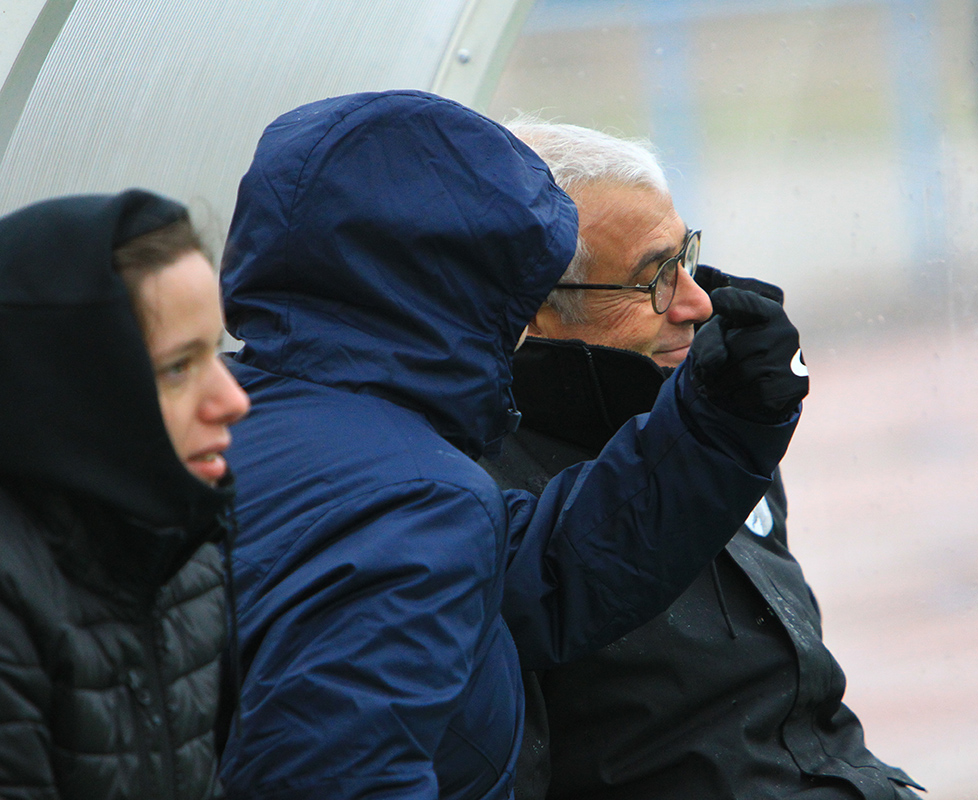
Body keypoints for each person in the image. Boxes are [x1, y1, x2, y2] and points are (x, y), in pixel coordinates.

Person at [215, 89, 807, 800]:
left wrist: (722, 423)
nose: (695, 302)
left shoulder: (237, 424)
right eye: (653, 275)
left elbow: (547, 572)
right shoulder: (416, 496)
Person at [480, 120, 922, 800]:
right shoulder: (483, 495)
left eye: (685, 255)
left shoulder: (715, 408)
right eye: (653, 277)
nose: (697, 300)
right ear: (534, 313)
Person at [0, 189, 250, 799]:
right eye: (176, 367)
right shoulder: (13, 600)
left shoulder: (181, 559)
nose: (234, 401)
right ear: (73, 389)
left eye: (214, 352)